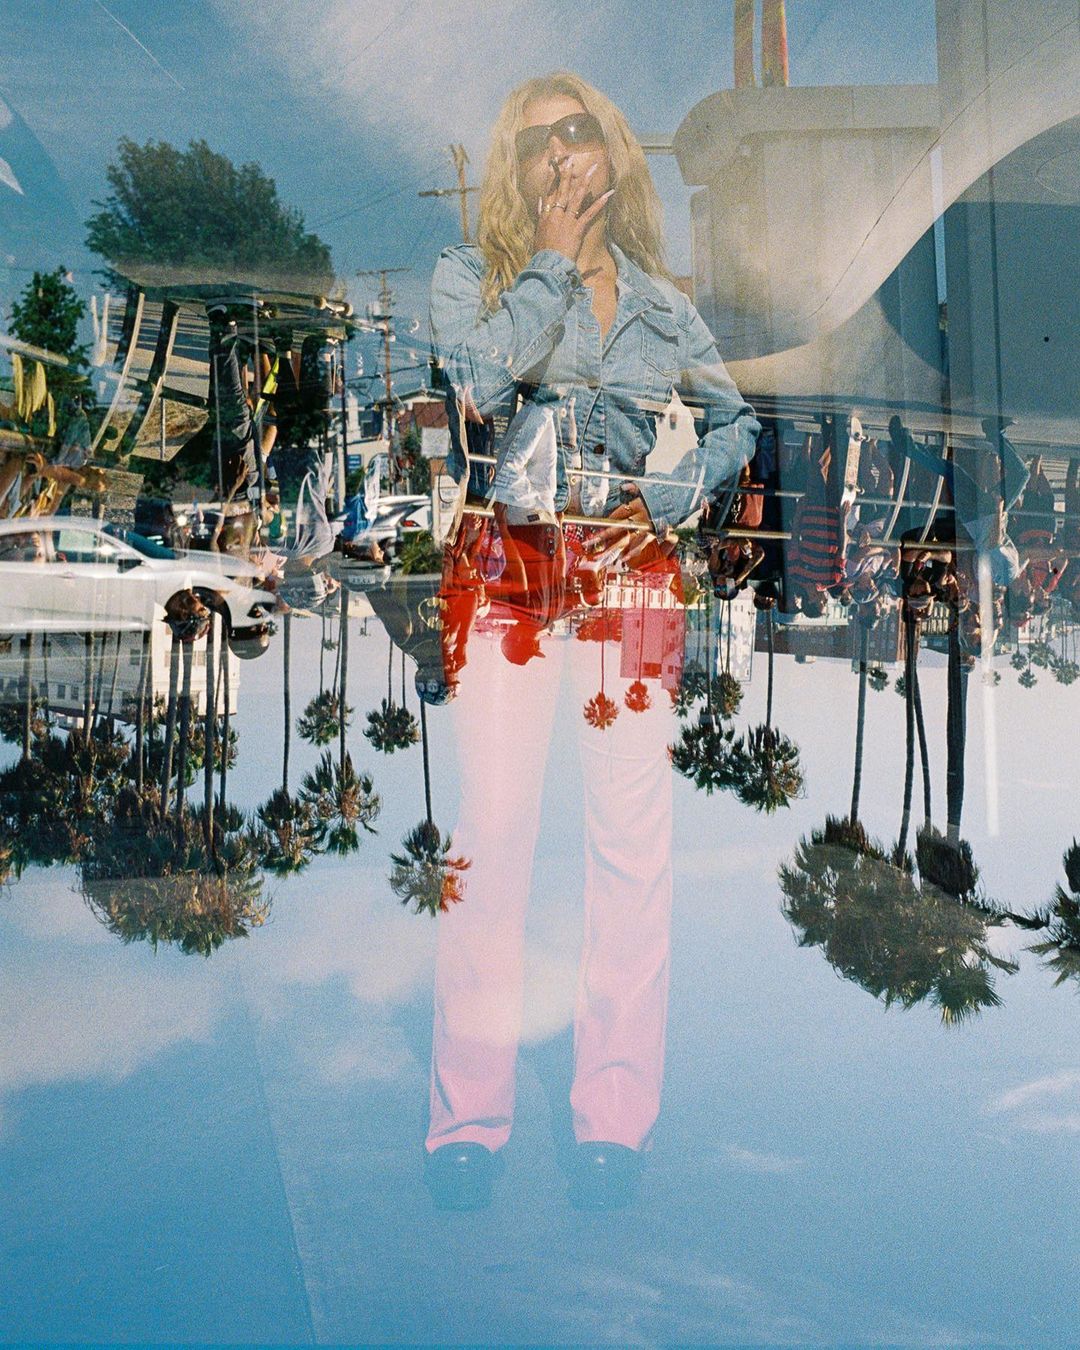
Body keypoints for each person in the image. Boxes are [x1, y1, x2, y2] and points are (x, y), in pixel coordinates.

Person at [425, 70, 758, 1210]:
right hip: (505, 570)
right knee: (494, 833)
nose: (559, 152)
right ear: (514, 173)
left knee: (631, 840)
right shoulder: (472, 276)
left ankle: (616, 1111)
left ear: (612, 146)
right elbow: (478, 385)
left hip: (632, 574)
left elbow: (736, 421)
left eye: (576, 130)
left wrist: (671, 498)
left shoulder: (662, 302)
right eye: (534, 143)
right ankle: (469, 1115)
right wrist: (554, 263)